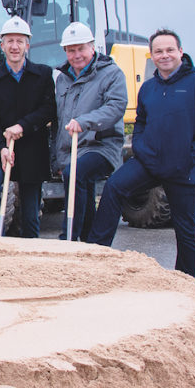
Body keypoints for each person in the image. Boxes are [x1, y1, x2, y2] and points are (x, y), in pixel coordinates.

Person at [88, 29, 195, 279]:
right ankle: (98, 254)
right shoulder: (148, 88)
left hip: (183, 167)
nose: (164, 55)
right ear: (152, 55)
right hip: (149, 162)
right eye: (158, 51)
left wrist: (190, 157)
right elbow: (140, 122)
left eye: (170, 50)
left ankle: (187, 281)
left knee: (185, 228)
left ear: (180, 52)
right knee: (114, 186)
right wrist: (139, 146)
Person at [0, 16, 56, 237]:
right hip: (1, 150)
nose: (15, 46)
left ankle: (30, 250)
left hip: (33, 150)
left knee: (31, 213)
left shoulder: (42, 75)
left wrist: (22, 126)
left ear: (27, 45)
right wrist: (1, 147)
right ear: (2, 45)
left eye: (19, 41)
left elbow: (48, 109)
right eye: (10, 41)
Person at [54, 22, 128, 241]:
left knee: (76, 174)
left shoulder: (112, 74)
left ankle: (69, 238)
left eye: (81, 49)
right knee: (78, 178)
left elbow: (115, 108)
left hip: (101, 146)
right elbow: (59, 122)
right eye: (71, 50)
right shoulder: (62, 79)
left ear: (92, 48)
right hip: (73, 148)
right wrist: (58, 159)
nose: (76, 55)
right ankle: (88, 240)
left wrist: (85, 121)